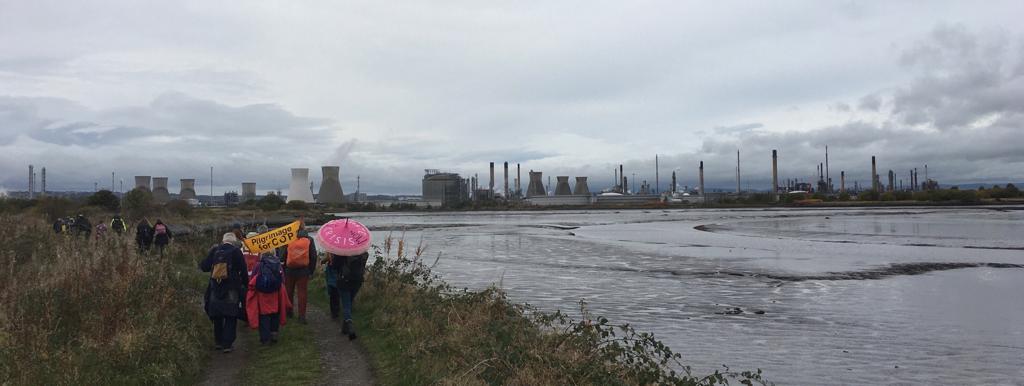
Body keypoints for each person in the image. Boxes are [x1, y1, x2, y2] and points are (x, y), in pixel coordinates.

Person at [200, 233, 247, 353]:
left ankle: (218, 342)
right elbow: (243, 269)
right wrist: (245, 285)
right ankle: (227, 344)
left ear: (223, 241)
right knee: (231, 315)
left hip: (215, 287)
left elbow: (204, 266)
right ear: (233, 242)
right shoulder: (236, 251)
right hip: (231, 287)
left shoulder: (216, 250)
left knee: (217, 315)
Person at [246, 252, 290, 345]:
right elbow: (282, 279)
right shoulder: (277, 263)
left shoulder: (258, 265)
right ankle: (274, 334)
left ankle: (265, 339)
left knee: (264, 316)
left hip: (262, 295)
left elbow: (253, 278)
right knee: (275, 314)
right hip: (275, 293)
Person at [327, 251, 369, 340]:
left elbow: (334, 266)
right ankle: (344, 328)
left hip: (344, 281)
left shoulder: (342, 252)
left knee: (346, 304)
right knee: (349, 302)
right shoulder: (364, 253)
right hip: (357, 281)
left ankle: (349, 324)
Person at [282, 229, 317, 323]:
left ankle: (289, 312)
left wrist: (284, 268)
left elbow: (284, 255)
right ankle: (302, 316)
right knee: (302, 293)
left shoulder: (290, 239)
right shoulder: (309, 240)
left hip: (289, 270)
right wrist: (311, 271)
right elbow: (313, 256)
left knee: (289, 292)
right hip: (303, 271)